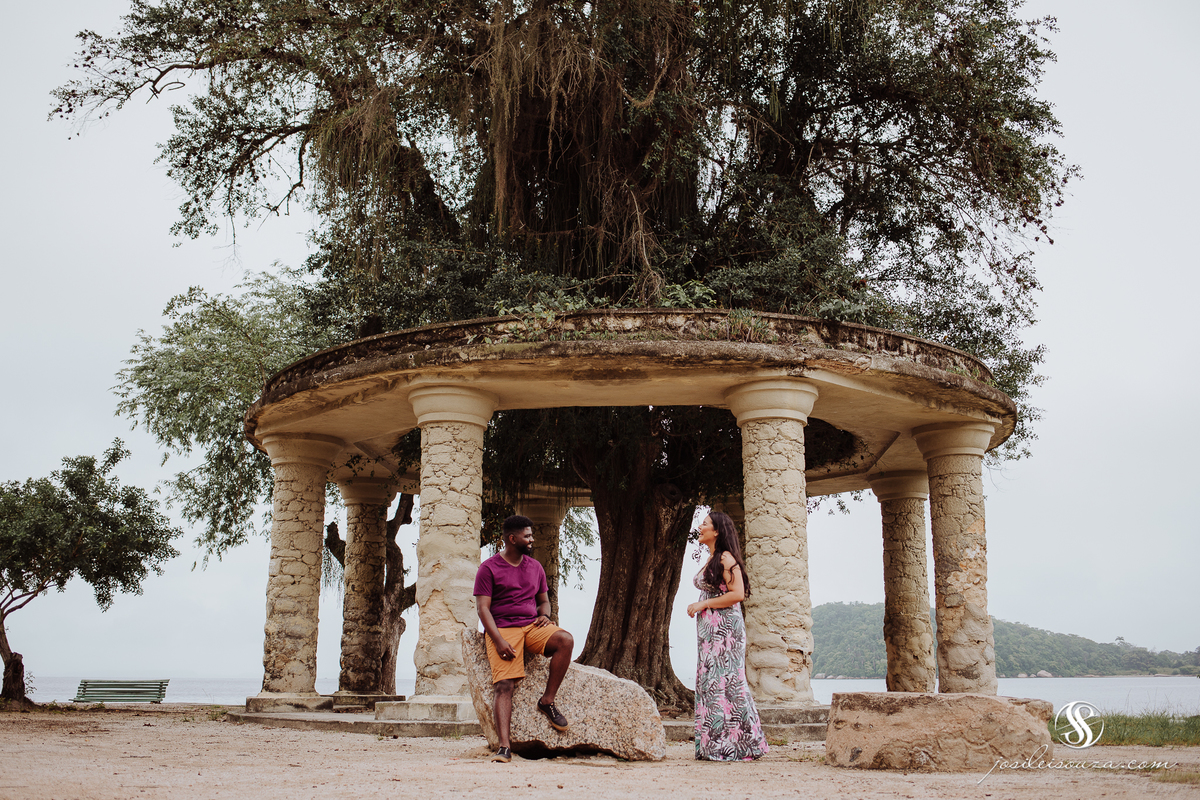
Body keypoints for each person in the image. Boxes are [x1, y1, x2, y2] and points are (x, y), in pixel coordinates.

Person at [474, 514, 575, 763]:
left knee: (566, 640)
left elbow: (544, 601)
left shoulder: (535, 567)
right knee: (504, 686)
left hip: (531, 626)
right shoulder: (488, 568)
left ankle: (547, 701)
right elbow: (483, 609)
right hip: (504, 630)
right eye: (527, 535)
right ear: (512, 538)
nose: (531, 539)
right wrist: (498, 640)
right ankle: (504, 748)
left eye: (531, 535)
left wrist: (545, 615)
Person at [686, 511, 769, 761]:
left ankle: (744, 743)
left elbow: (738, 594)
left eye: (705, 524)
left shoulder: (725, 558)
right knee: (711, 680)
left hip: (725, 631)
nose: (700, 527)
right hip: (710, 631)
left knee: (727, 681)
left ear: (717, 531)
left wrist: (702, 605)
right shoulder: (712, 557)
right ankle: (715, 744)